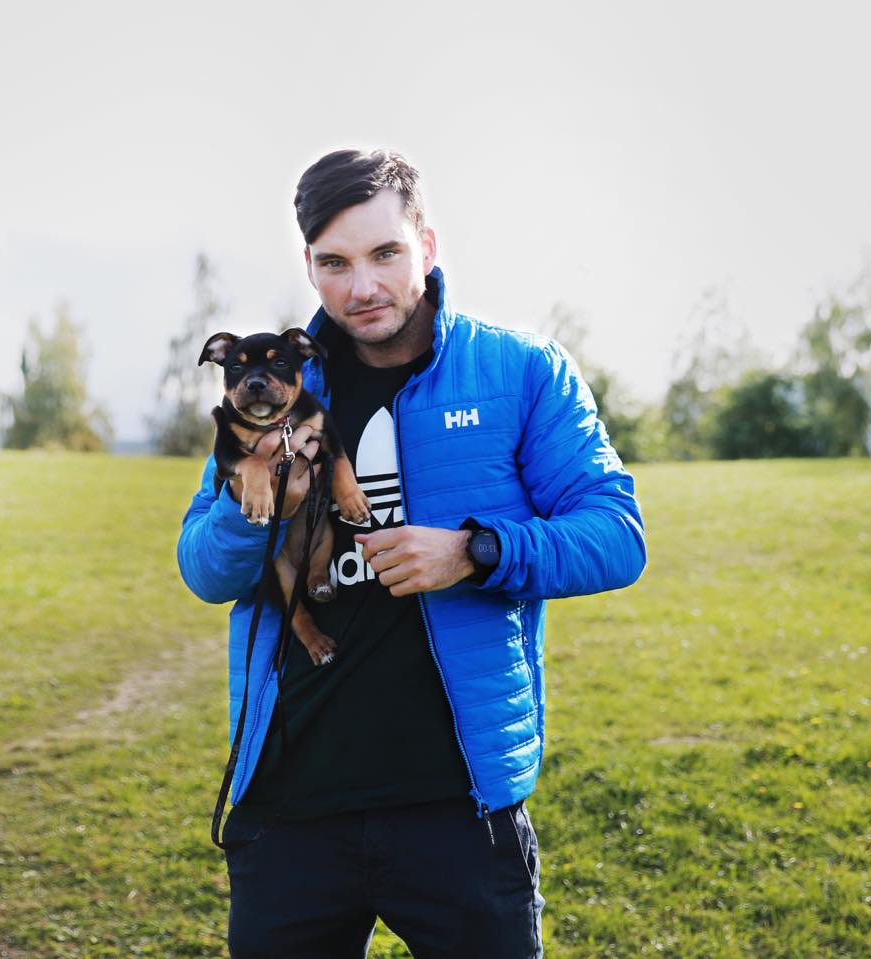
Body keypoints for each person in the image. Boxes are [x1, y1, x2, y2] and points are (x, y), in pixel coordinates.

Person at [177, 149, 647, 959]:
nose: (361, 286)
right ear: (310, 266)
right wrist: (254, 507)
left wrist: (476, 551)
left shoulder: (521, 371)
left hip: (459, 809)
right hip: (290, 806)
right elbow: (203, 569)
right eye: (335, 262)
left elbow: (617, 535)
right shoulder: (277, 383)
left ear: (427, 245)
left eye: (385, 253)